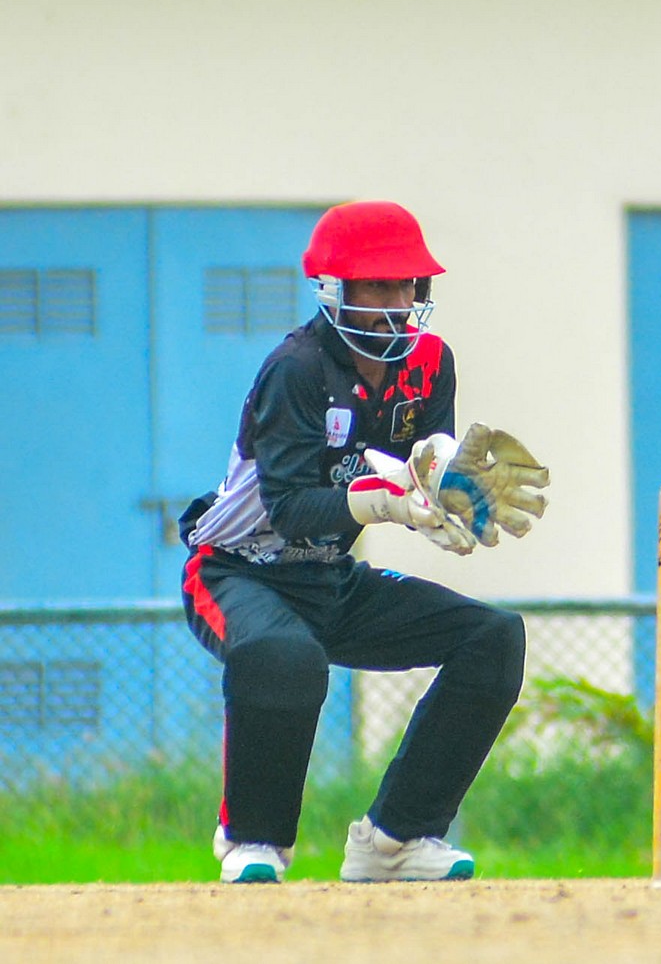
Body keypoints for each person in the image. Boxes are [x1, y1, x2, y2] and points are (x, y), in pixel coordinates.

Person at [178, 200, 549, 884]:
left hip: (328, 576)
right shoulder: (296, 370)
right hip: (236, 571)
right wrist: (391, 504)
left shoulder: (429, 363)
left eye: (407, 285)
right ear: (333, 289)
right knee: (286, 656)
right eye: (377, 286)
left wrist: (447, 496)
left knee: (493, 639)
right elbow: (291, 508)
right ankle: (253, 839)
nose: (397, 303)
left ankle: (395, 840)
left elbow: (424, 462)